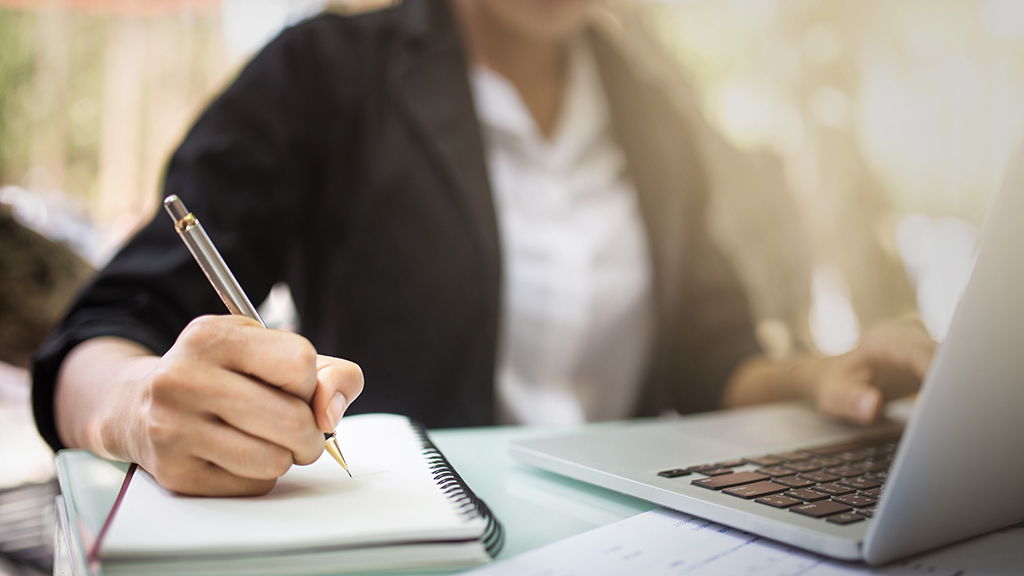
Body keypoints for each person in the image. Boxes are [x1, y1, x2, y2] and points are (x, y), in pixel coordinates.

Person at [32, 0, 936, 497]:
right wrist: (135, 408)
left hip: (633, 537)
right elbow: (101, 335)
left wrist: (820, 379)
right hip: (409, 540)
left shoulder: (657, 111)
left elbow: (713, 359)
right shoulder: (325, 73)